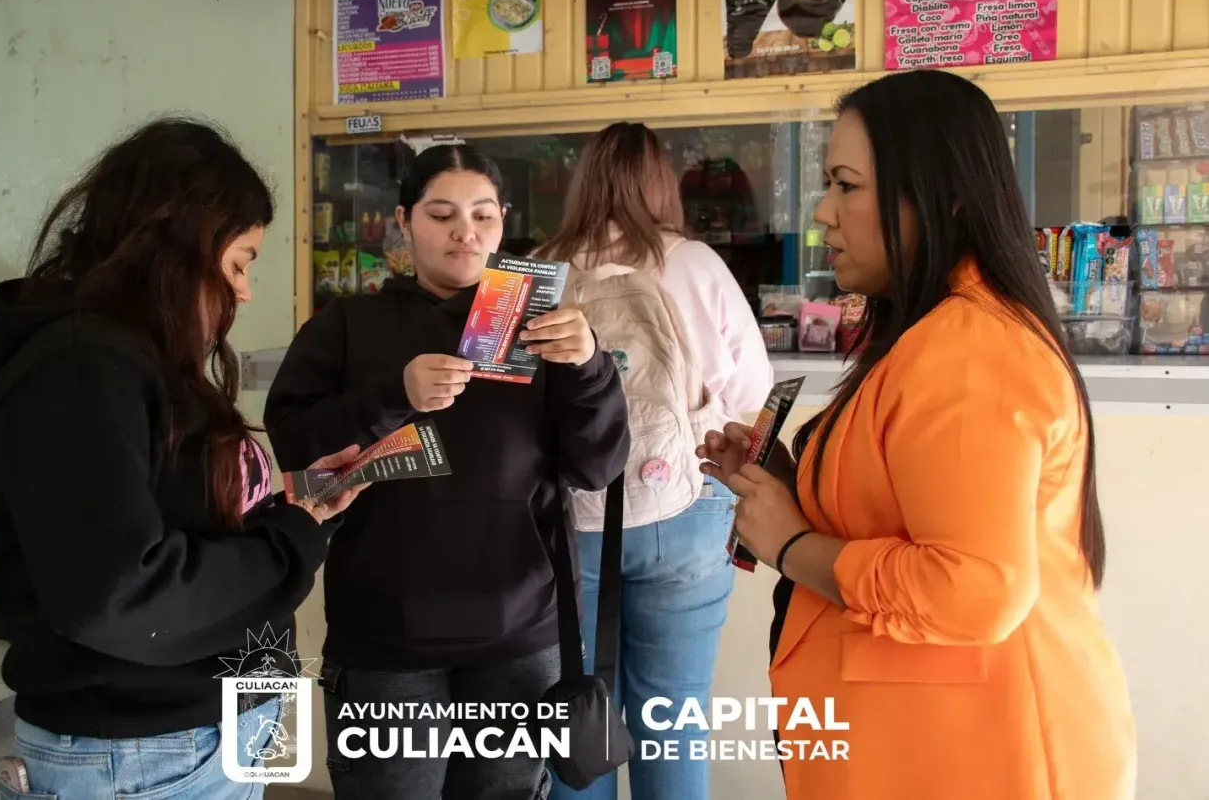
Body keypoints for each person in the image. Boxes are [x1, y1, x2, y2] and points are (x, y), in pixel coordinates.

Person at [698, 69, 1137, 799]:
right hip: (918, 741)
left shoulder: (969, 351)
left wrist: (792, 545)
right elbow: (898, 503)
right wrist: (787, 485)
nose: (822, 212)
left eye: (846, 186)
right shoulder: (929, 331)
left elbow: (973, 590)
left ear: (943, 197)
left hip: (982, 755)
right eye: (828, 185)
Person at [0, 118, 366, 800]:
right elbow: (119, 591)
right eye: (238, 263)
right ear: (177, 248)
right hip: (144, 751)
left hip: (202, 728)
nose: (244, 291)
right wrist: (288, 541)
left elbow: (164, 506)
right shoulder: (78, 368)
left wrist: (286, 504)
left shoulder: (135, 358)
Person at [263, 143, 632, 800]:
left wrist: (590, 368)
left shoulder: (544, 331)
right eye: (441, 214)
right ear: (403, 221)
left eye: (483, 215)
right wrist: (391, 395)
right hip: (385, 639)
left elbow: (596, 467)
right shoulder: (347, 326)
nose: (465, 231)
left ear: (503, 221)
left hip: (519, 632)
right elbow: (296, 451)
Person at [535, 122, 773, 800]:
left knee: (578, 709)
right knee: (673, 712)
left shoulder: (543, 269)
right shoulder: (695, 262)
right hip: (688, 507)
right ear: (662, 183)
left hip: (573, 518)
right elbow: (751, 395)